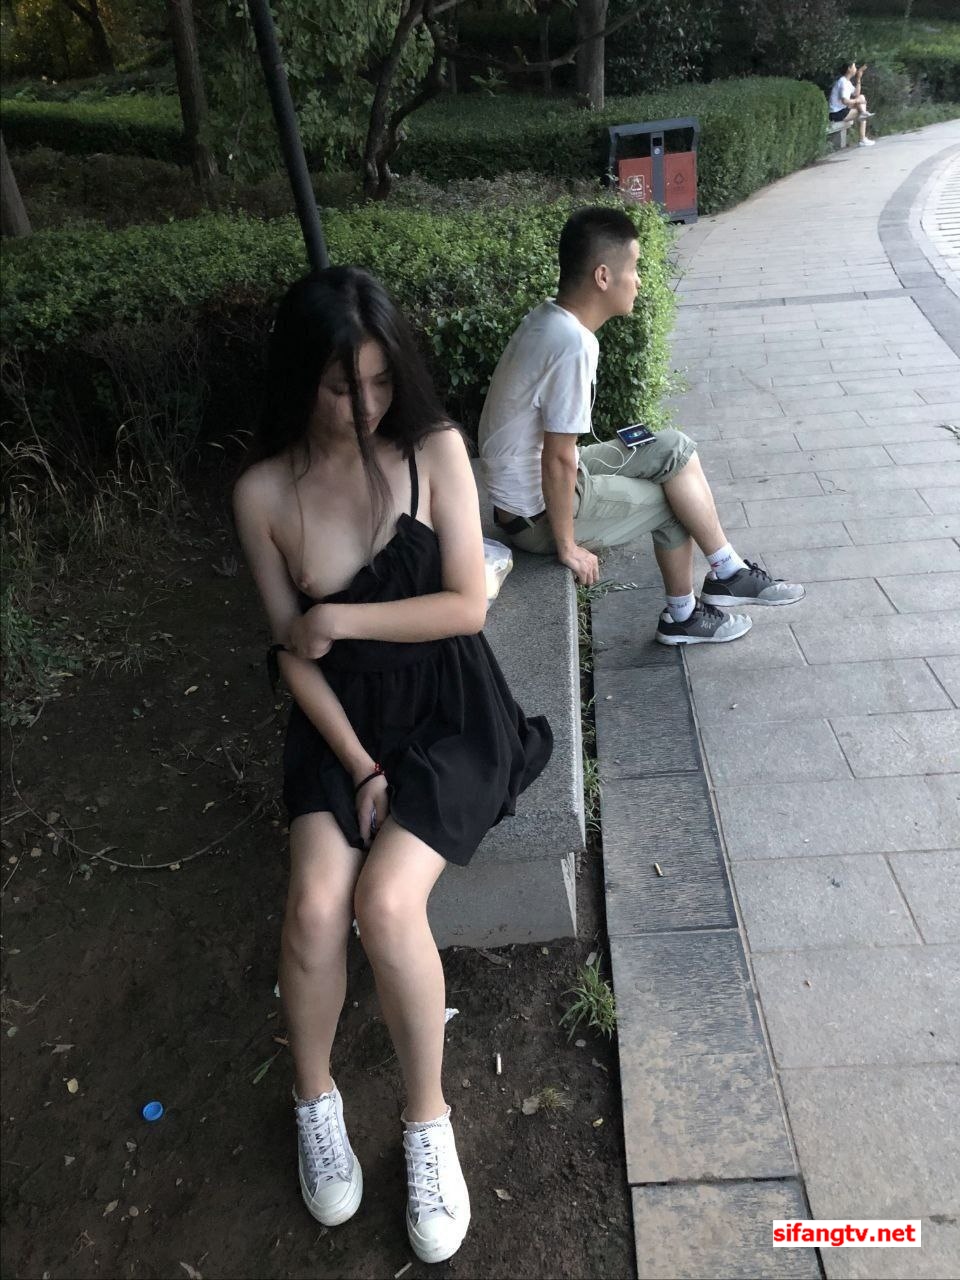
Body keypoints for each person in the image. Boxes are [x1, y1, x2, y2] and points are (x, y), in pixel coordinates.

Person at [233, 267, 552, 1264]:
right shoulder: (264, 493)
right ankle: (315, 1098)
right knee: (314, 906)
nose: (366, 406)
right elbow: (295, 656)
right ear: (302, 380)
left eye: (379, 380)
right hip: (343, 721)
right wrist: (362, 764)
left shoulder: (433, 448)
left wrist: (339, 616)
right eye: (341, 388)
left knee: (384, 901)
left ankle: (426, 1122)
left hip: (453, 708)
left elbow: (466, 604)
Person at [478, 206, 805, 645]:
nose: (639, 281)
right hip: (534, 515)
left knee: (673, 446)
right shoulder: (572, 344)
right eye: (633, 268)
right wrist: (567, 546)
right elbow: (557, 459)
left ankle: (728, 571)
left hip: (540, 486)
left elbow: (558, 453)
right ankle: (682, 617)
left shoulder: (548, 317)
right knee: (671, 505)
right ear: (602, 276)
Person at [828, 59, 876, 147]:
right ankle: (862, 139)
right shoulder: (843, 82)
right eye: (854, 66)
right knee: (861, 107)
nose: (856, 69)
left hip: (841, 110)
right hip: (836, 113)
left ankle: (863, 114)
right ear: (849, 69)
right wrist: (857, 101)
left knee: (861, 97)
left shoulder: (847, 81)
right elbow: (845, 101)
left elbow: (856, 94)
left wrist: (858, 78)